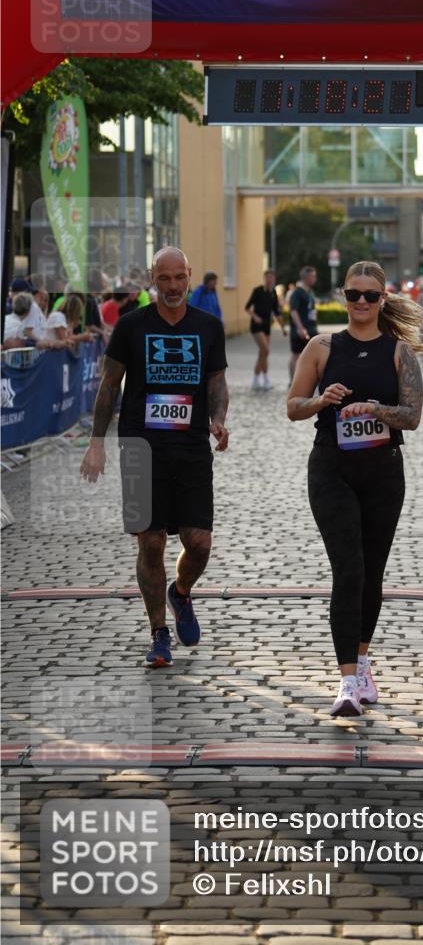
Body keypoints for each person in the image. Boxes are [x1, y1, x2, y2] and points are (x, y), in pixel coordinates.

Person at [287, 260, 423, 717]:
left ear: (383, 299)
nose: (362, 302)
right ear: (343, 296)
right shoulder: (321, 347)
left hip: (384, 473)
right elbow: (292, 406)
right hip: (331, 469)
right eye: (354, 295)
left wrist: (375, 409)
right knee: (348, 570)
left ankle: (363, 661)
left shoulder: (399, 353)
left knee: (371, 573)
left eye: (371, 295)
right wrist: (320, 401)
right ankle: (347, 682)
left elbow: (413, 415)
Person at [80, 246, 229, 669]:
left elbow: (217, 383)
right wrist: (96, 441)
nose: (172, 286)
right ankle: (158, 633)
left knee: (198, 542)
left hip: (191, 447)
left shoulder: (208, 327)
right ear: (152, 279)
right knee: (151, 541)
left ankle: (180, 592)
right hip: (140, 447)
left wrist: (218, 419)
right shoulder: (130, 327)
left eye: (179, 277)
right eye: (163, 278)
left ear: (189, 276)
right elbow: (110, 385)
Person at [245, 269, 287, 390]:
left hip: (267, 326)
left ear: (274, 279)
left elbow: (277, 312)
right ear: (264, 278)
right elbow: (247, 307)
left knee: (264, 353)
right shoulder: (257, 291)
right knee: (265, 349)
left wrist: (283, 328)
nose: (269, 280)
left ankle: (265, 379)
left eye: (272, 277)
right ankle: (255, 378)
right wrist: (255, 316)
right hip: (256, 326)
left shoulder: (273, 293)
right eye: (267, 277)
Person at [289, 266, 318, 383]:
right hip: (300, 331)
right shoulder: (297, 292)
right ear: (306, 277)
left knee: (312, 355)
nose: (315, 278)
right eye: (313, 276)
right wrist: (300, 328)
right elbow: (293, 311)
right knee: (296, 355)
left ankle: (309, 380)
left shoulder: (309, 292)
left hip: (311, 329)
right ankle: (292, 381)